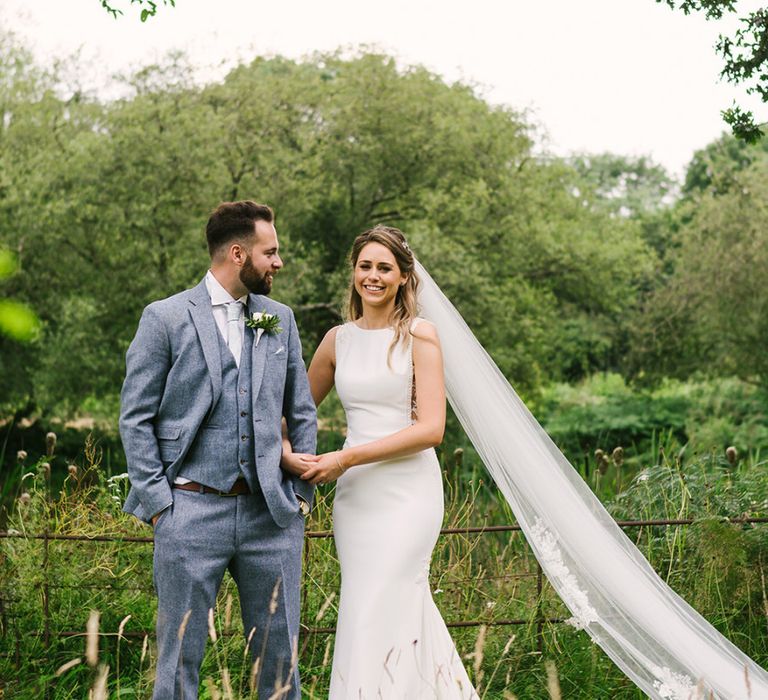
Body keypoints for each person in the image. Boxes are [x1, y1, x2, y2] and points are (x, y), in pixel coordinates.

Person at [119, 201, 317, 700]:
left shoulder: (280, 319)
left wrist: (299, 498)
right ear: (236, 253)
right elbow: (135, 418)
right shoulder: (164, 318)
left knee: (279, 665)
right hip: (189, 510)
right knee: (179, 661)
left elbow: (302, 410)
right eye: (270, 252)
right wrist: (162, 506)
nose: (278, 262)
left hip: (270, 517)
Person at [281, 225, 478, 698]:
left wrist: (346, 457)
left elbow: (431, 429)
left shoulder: (420, 335)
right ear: (353, 273)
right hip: (358, 500)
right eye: (365, 266)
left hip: (408, 492)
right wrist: (287, 455)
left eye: (384, 267)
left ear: (404, 276)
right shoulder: (337, 341)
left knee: (388, 598)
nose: (373, 276)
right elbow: (290, 417)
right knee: (364, 605)